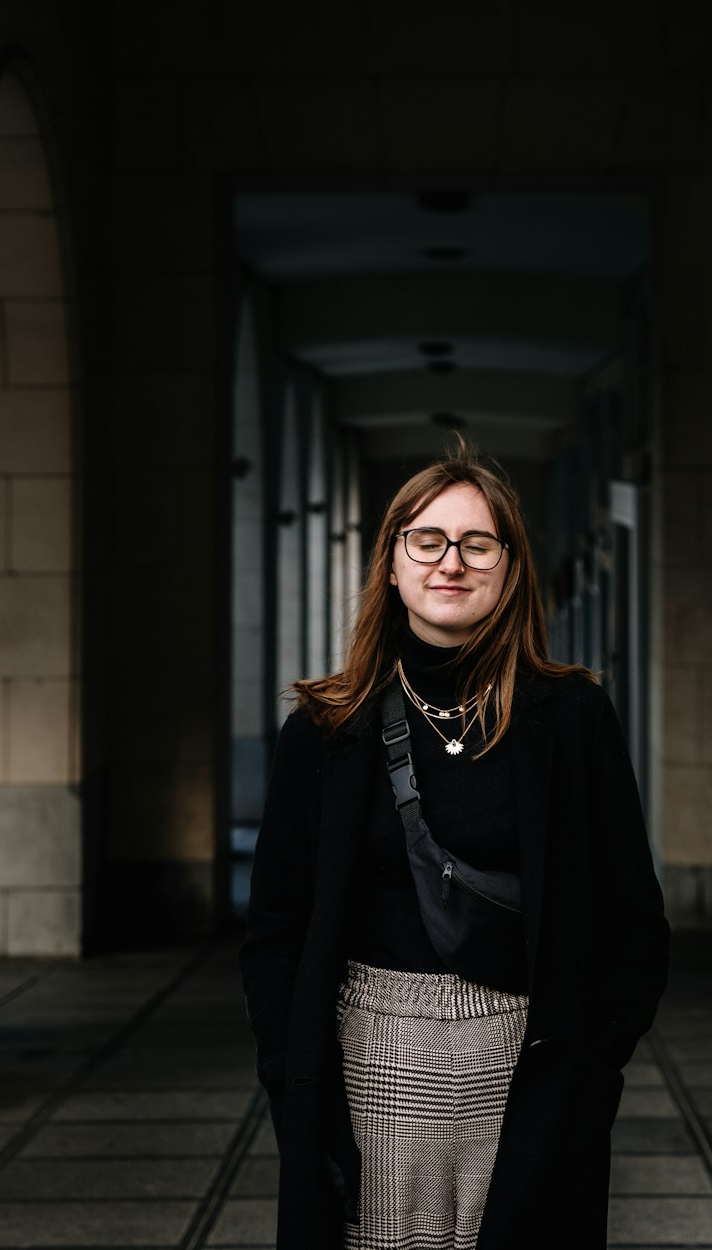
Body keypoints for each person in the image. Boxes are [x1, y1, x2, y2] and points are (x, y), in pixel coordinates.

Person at [239, 438, 669, 1250]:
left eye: (478, 543)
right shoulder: (326, 728)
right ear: (393, 564)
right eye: (427, 541)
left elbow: (633, 923)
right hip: (366, 1062)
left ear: (509, 568)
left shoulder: (571, 719)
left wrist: (589, 1070)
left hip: (530, 1067)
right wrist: (290, 1075)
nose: (451, 563)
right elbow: (275, 929)